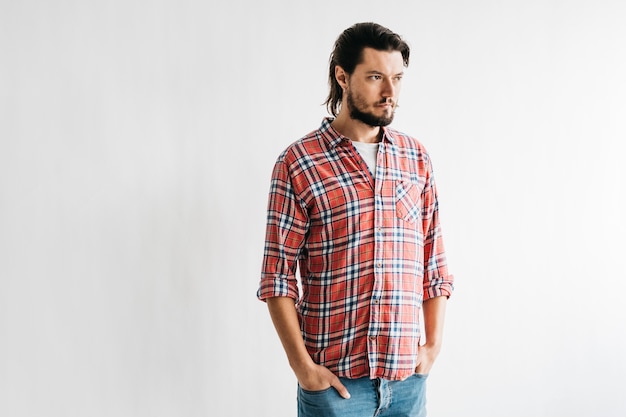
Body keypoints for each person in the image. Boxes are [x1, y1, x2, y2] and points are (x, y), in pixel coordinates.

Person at [257, 22, 454, 417]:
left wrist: (432, 346)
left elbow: (434, 263)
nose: (390, 93)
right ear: (342, 77)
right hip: (335, 387)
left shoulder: (416, 159)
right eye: (376, 77)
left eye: (397, 78)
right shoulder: (299, 163)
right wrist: (303, 369)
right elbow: (277, 277)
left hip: (407, 382)